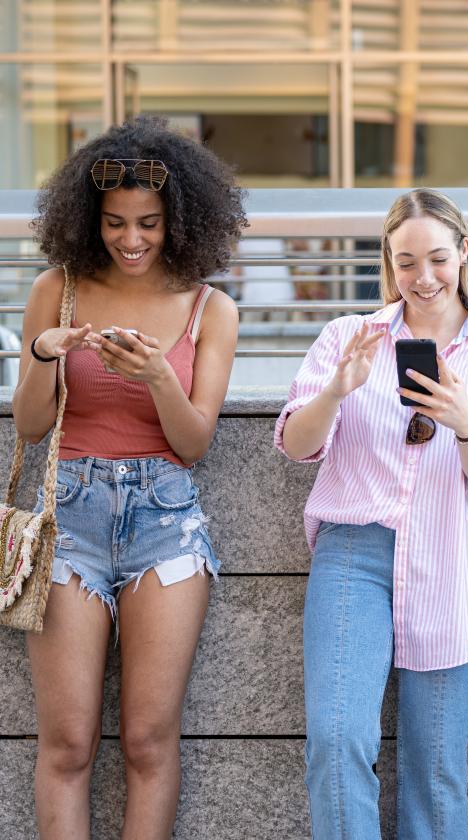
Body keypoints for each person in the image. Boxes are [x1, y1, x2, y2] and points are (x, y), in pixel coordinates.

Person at [275, 188, 468, 839]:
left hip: (452, 558)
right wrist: (338, 389)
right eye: (406, 261)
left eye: (438, 259)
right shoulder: (347, 336)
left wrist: (465, 423)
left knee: (436, 770)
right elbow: (298, 444)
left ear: (465, 252)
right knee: (336, 745)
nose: (423, 278)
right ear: (388, 263)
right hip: (354, 553)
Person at [15, 115, 244, 840]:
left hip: (166, 523)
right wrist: (46, 354)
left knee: (148, 739)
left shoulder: (212, 307)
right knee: (69, 743)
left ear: (178, 221)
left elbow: (193, 442)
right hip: (71, 516)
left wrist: (155, 378)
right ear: (90, 219)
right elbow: (28, 427)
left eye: (148, 222)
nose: (132, 239)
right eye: (115, 223)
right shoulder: (58, 289)